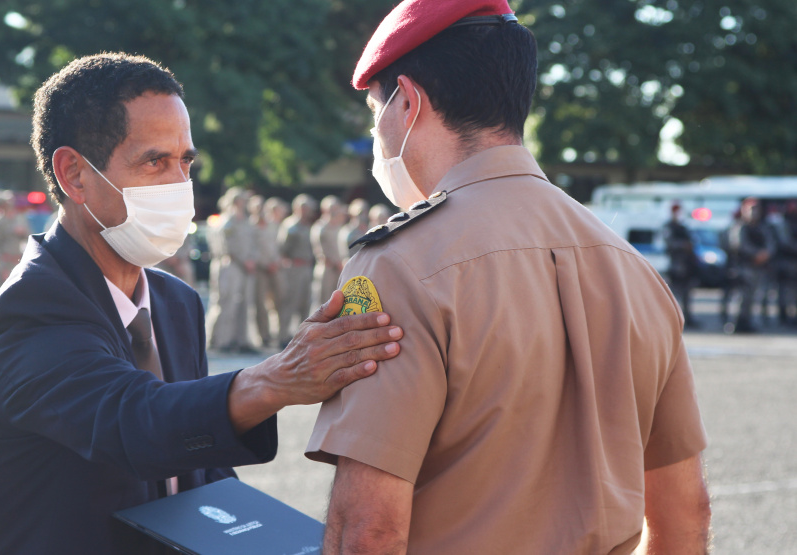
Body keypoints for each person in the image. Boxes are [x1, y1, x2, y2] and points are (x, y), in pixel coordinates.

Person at [304, 2, 710, 553]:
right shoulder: (632, 267)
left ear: (409, 101)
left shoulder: (398, 266)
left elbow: (369, 529)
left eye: (377, 111)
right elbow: (685, 512)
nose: (378, 130)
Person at [0, 53, 403, 555]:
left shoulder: (174, 302)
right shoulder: (33, 305)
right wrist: (276, 379)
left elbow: (199, 469)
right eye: (155, 162)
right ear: (75, 174)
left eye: (185, 162)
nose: (179, 184)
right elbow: (130, 421)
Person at [206, 187, 257, 352]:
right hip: (230, 265)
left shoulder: (246, 221)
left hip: (245, 267)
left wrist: (252, 260)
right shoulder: (227, 221)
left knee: (244, 303)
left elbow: (252, 243)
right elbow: (228, 246)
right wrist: (245, 261)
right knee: (225, 302)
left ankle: (241, 340)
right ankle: (220, 340)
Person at [728, 197, 776, 333]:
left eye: (756, 209)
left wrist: (765, 254)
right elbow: (739, 245)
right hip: (743, 267)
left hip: (758, 268)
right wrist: (756, 254)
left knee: (754, 297)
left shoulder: (762, 227)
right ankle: (735, 323)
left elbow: (771, 244)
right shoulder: (740, 226)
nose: (753, 212)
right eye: (751, 209)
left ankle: (747, 322)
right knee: (741, 297)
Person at [277, 194, 317, 347]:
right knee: (290, 302)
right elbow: (282, 249)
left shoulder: (308, 225)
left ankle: (301, 336)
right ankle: (283, 336)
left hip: (306, 267)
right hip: (294, 268)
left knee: (305, 303)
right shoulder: (290, 226)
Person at [251, 197, 288, 347]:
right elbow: (252, 250)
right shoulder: (251, 227)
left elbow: (279, 247)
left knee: (280, 301)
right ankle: (264, 336)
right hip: (260, 270)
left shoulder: (274, 226)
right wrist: (265, 264)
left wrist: (277, 262)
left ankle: (281, 334)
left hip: (275, 268)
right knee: (261, 304)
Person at [662, 203, 700, 327]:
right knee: (674, 295)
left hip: (687, 266)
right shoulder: (669, 227)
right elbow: (669, 243)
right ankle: (673, 319)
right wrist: (683, 245)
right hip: (675, 265)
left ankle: (687, 318)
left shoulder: (683, 227)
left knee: (687, 294)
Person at [0, 190, 29, 289]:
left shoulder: (19, 218)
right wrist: (3, 267)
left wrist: (23, 232)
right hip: (3, 263)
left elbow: (29, 237)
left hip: (18, 261)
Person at [310, 195, 346, 310]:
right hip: (326, 268)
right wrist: (335, 262)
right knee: (323, 302)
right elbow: (320, 252)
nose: (334, 211)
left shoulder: (340, 227)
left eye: (336, 208)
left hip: (340, 269)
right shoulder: (320, 227)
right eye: (331, 208)